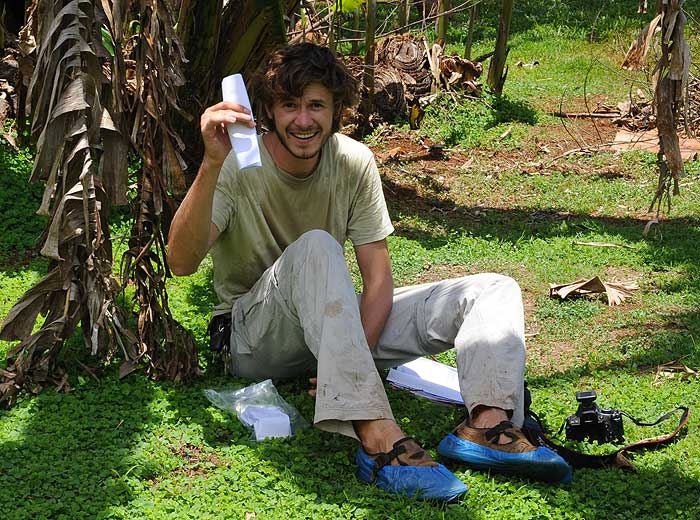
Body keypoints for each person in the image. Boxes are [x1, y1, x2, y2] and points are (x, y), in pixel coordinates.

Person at [166, 41, 572, 501]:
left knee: (491, 289)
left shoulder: (353, 160)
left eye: (316, 105)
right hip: (256, 338)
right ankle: (378, 435)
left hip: (334, 327)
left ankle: (488, 424)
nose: (303, 120)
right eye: (289, 105)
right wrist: (212, 162)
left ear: (336, 110)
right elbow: (180, 263)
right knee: (318, 245)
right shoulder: (238, 166)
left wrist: (346, 358)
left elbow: (378, 279)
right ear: (268, 111)